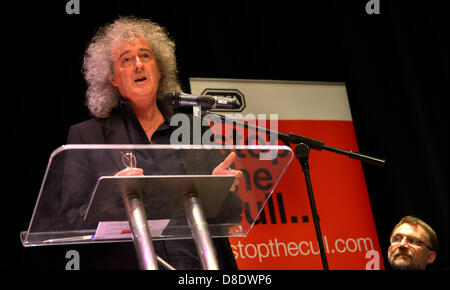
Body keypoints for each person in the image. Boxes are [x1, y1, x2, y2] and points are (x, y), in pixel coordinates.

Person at [57, 16, 243, 270]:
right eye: (126, 59)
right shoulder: (87, 137)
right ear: (112, 77)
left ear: (159, 68)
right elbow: (68, 222)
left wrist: (222, 189)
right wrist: (112, 197)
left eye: (145, 56)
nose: (138, 65)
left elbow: (230, 216)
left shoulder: (193, 128)